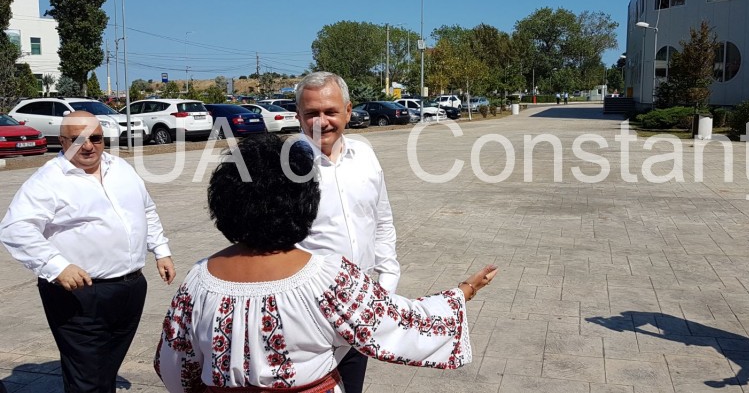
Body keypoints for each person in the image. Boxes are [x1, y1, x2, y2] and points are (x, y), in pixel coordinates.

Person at [154, 134, 497, 392]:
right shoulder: (330, 277)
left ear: (224, 202)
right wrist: (464, 291)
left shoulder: (198, 280)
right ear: (305, 202)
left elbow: (173, 365)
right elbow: (403, 325)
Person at [0, 111, 176, 393]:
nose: (88, 146)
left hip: (130, 288)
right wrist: (57, 265)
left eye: (95, 138)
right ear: (62, 141)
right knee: (87, 378)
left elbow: (146, 210)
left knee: (106, 367)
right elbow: (15, 228)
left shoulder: (120, 168)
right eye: (78, 139)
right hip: (79, 295)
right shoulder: (49, 179)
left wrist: (161, 250)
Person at [293, 71, 399, 393]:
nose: (321, 121)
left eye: (330, 111)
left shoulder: (365, 156)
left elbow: (382, 221)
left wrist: (386, 285)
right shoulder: (285, 168)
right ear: (298, 116)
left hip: (360, 310)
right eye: (311, 113)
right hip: (306, 318)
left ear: (349, 111)